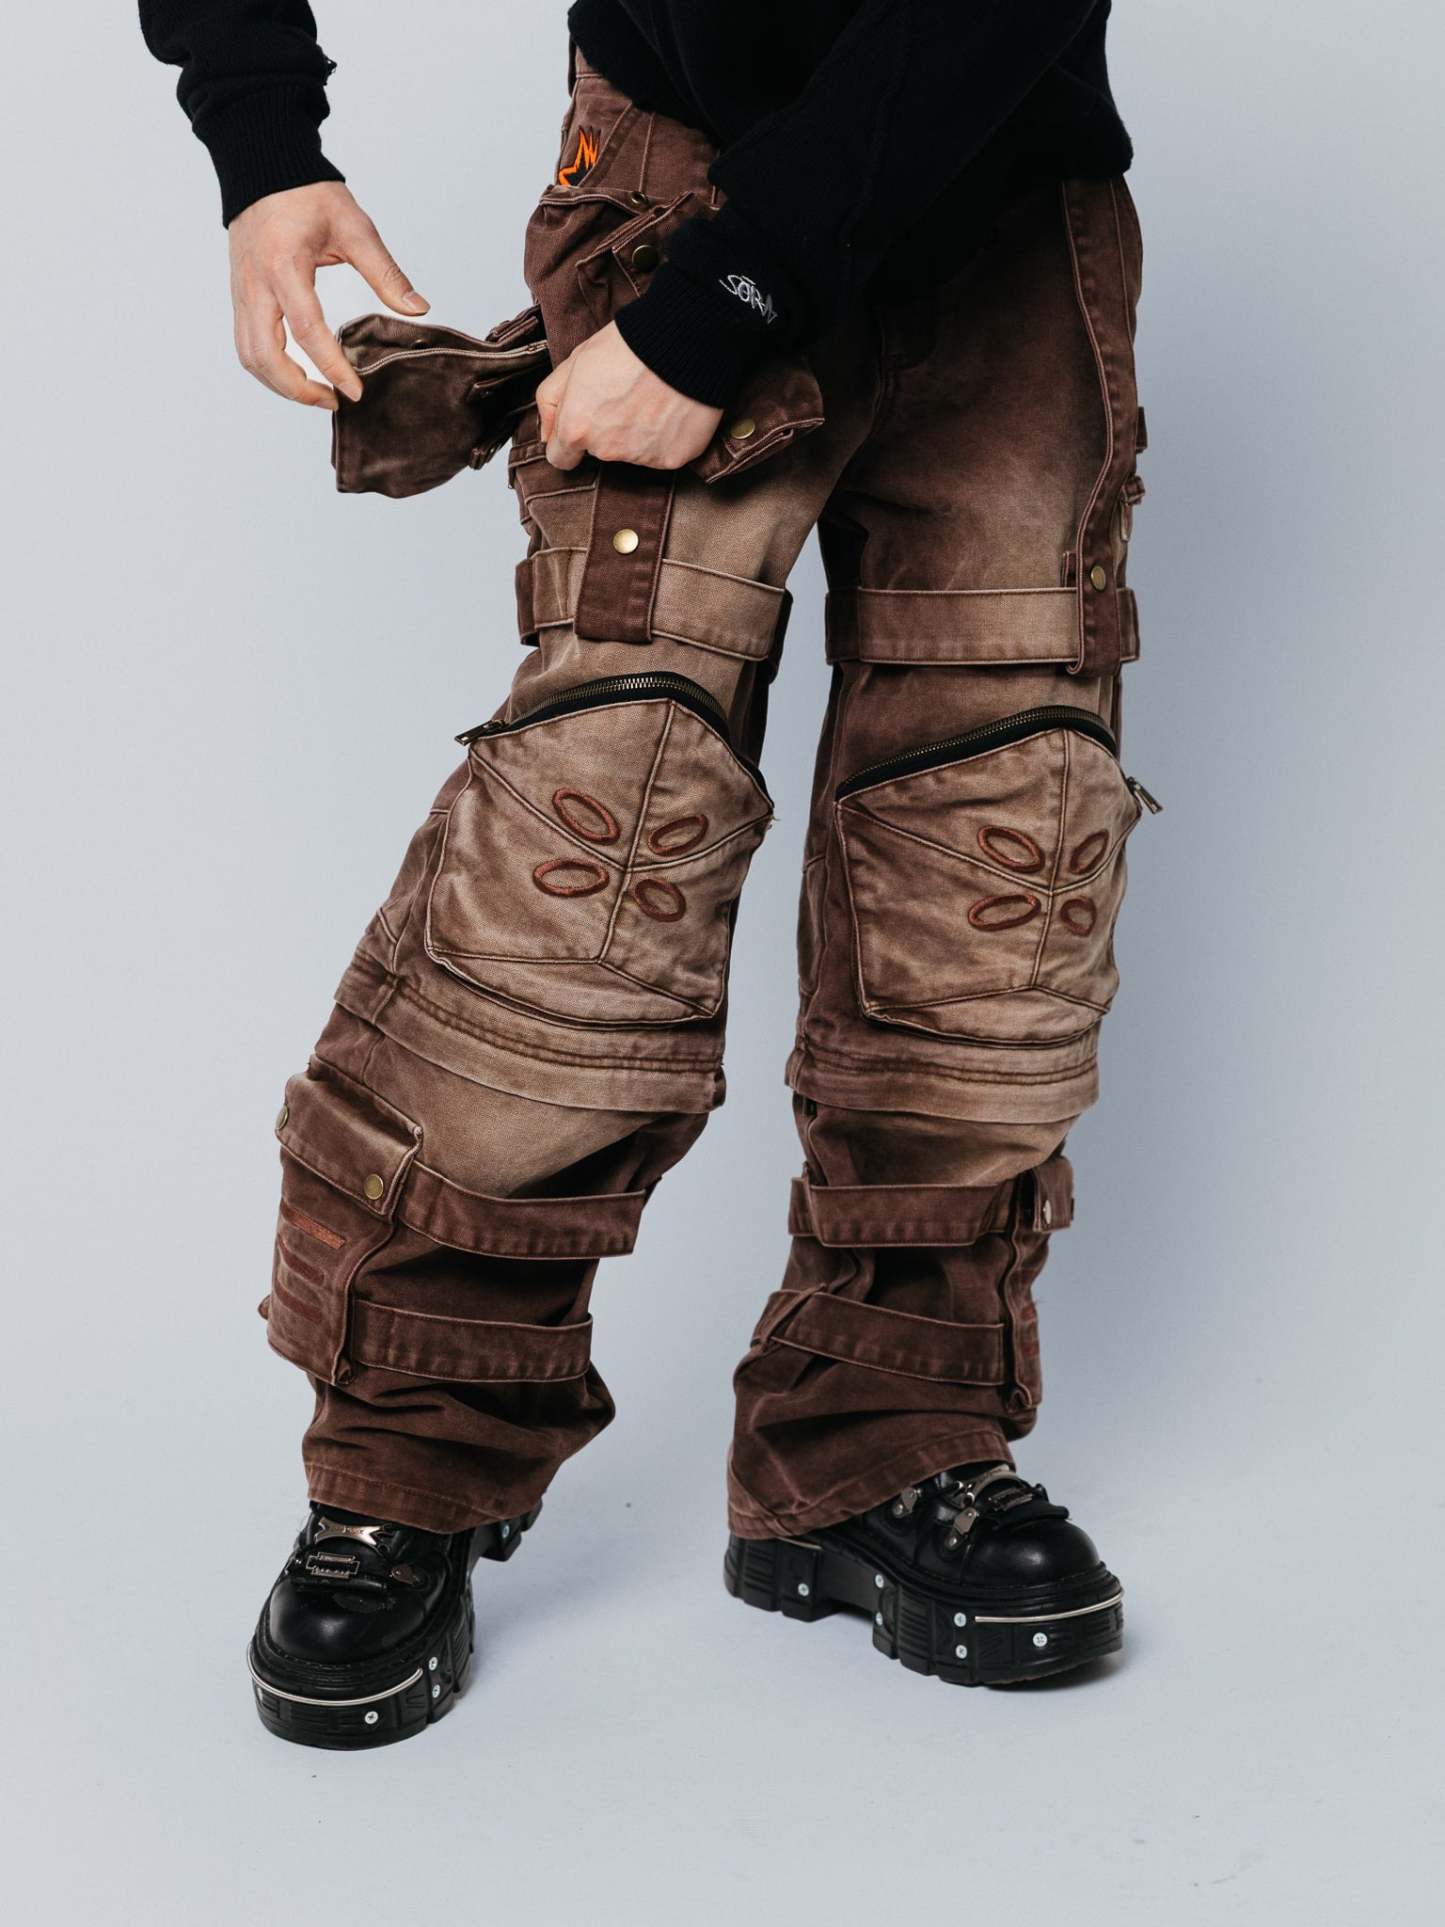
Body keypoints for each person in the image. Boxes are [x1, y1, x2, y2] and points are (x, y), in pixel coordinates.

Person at [141, 0, 1153, 1749]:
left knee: (999, 861)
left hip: (999, 185)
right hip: (679, 171)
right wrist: (261, 141)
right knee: (589, 846)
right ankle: (411, 1461)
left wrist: (726, 307)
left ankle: (883, 1439)